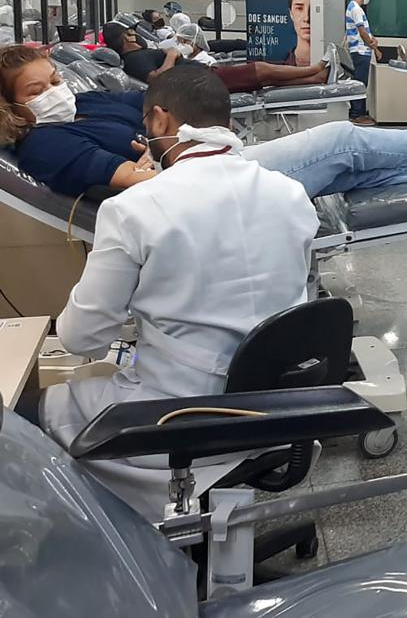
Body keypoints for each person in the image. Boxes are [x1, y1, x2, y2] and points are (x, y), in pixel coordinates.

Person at [38, 66, 322, 521]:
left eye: (147, 124)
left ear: (161, 119)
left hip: (179, 414)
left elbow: (81, 338)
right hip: (276, 411)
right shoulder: (291, 194)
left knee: (37, 412)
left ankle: (112, 543)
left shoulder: (132, 210)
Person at [0, 46, 407, 198]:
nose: (55, 92)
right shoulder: (45, 144)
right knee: (343, 140)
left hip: (204, 169)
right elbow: (138, 177)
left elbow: (158, 109)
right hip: (200, 191)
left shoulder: (87, 104)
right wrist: (151, 152)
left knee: (343, 168)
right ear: (10, 107)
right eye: (36, 91)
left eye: (55, 80)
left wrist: (153, 146)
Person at [102, 21, 328, 92]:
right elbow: (157, 79)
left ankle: (315, 78)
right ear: (125, 38)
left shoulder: (139, 54)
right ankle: (313, 69)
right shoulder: (134, 59)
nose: (134, 34)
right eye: (130, 32)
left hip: (202, 76)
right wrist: (171, 54)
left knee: (266, 78)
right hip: (203, 81)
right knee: (261, 69)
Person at [346, 0, 380, 125]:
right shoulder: (356, 9)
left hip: (359, 50)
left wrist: (372, 38)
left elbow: (364, 31)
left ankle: (359, 112)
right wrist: (375, 48)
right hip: (360, 51)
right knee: (360, 84)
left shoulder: (352, 6)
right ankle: (357, 114)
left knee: (360, 82)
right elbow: (362, 32)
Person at [289, 0, 312, 66]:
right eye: (299, 8)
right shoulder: (280, 66)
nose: (307, 18)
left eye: (313, 9)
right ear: (291, 13)